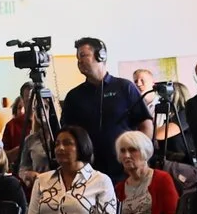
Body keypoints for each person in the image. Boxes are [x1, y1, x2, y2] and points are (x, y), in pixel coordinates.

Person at [61, 39, 150, 176]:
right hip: (88, 170)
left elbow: (145, 123)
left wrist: (139, 156)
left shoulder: (124, 87)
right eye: (78, 58)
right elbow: (65, 132)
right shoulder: (74, 96)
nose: (79, 61)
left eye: (84, 55)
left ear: (100, 56)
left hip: (125, 168)